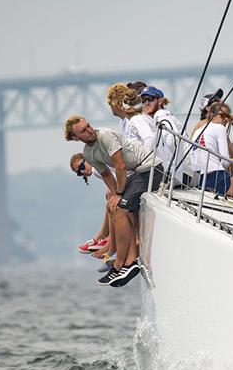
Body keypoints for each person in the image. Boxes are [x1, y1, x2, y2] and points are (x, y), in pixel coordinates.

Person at [64, 115, 163, 287]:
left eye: (88, 126)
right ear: (75, 138)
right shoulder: (88, 153)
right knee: (115, 208)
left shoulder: (104, 135)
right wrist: (116, 194)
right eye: (83, 131)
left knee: (119, 209)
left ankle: (121, 265)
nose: (89, 130)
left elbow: (120, 166)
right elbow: (106, 174)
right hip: (138, 174)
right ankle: (128, 262)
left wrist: (118, 193)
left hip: (150, 169)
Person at [70, 153, 117, 271]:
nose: (83, 172)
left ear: (87, 159)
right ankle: (105, 237)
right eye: (79, 173)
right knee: (110, 196)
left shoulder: (96, 168)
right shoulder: (97, 169)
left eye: (81, 167)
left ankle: (107, 239)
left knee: (111, 198)